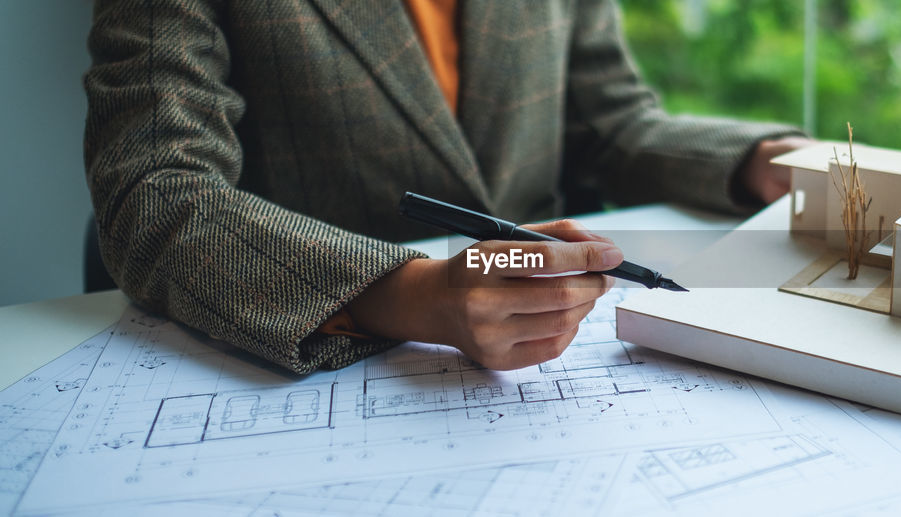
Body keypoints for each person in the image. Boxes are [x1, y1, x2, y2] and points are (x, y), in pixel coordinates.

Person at [84, 0, 812, 374]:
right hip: (317, 353)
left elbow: (607, 121)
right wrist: (413, 293)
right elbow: (153, 189)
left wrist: (758, 158)